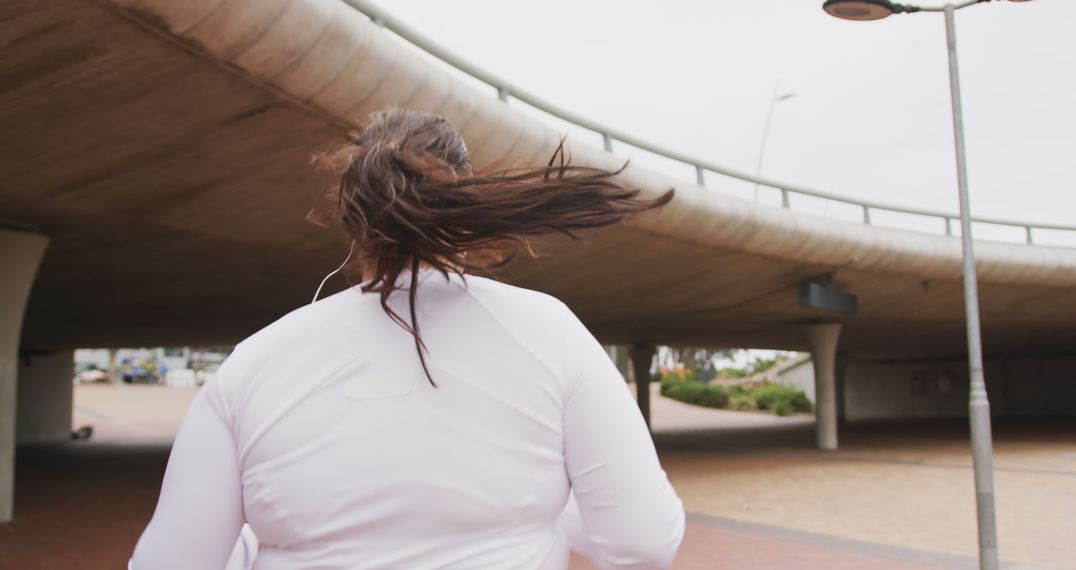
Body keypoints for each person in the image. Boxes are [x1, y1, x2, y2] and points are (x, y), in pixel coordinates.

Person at [130, 108, 685, 569]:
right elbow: (642, 543)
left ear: (353, 221)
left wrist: (248, 548)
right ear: (463, 207)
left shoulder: (254, 363)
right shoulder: (552, 332)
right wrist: (534, 506)